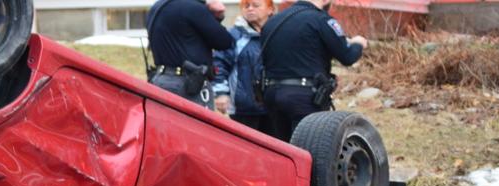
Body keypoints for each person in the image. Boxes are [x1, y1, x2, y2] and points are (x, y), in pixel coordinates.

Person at [259, 0, 368, 142]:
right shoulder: (322, 20)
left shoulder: (273, 22)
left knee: (280, 150)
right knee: (308, 148)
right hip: (304, 98)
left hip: (271, 94)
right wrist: (358, 43)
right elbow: (347, 57)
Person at [146, 0, 235, 108]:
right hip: (188, 82)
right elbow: (224, 42)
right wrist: (216, 15)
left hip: (159, 79)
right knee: (197, 119)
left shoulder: (157, 7)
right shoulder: (194, 7)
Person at [211, 0, 274, 132]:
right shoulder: (234, 35)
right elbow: (219, 63)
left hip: (274, 106)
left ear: (270, 9)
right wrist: (221, 93)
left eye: (256, 5)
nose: (250, 9)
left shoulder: (279, 33)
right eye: (246, 6)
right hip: (244, 108)